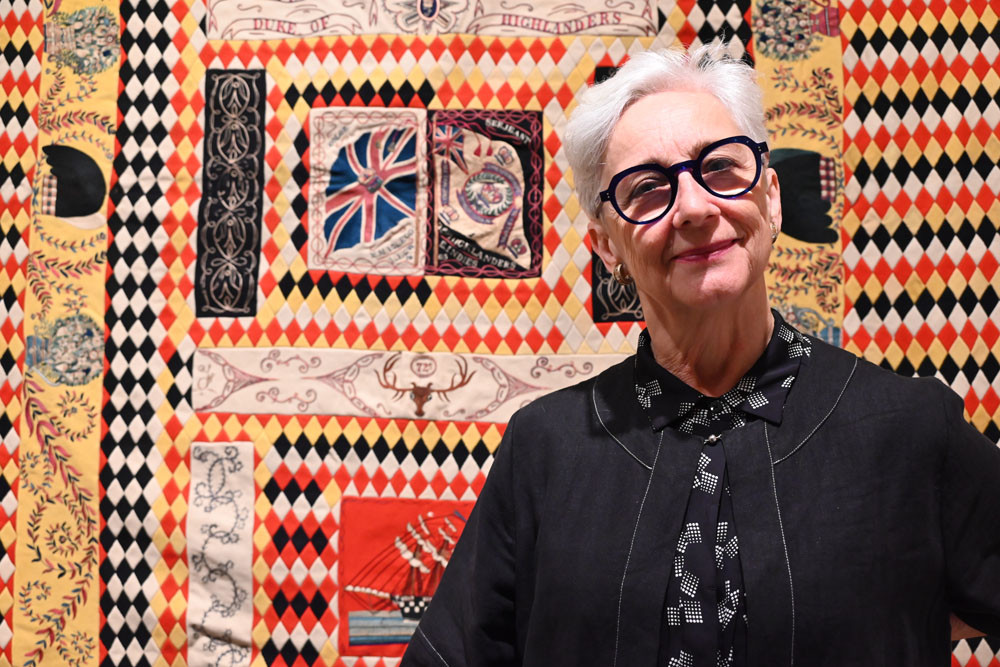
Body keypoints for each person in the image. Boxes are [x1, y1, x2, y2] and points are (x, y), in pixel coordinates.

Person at [400, 43, 1000, 667]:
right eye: (646, 188)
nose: (692, 207)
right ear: (607, 246)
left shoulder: (908, 431)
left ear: (770, 198)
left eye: (720, 169)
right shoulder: (545, 451)